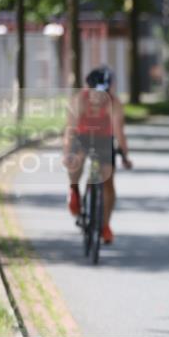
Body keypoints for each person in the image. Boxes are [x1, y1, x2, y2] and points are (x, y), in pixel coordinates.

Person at [64, 67, 132, 244]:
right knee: (75, 162)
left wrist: (124, 155)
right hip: (82, 136)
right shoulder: (79, 100)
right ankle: (74, 190)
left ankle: (105, 226)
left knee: (108, 181)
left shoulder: (114, 103)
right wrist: (67, 153)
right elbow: (70, 131)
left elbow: (119, 131)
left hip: (103, 139)